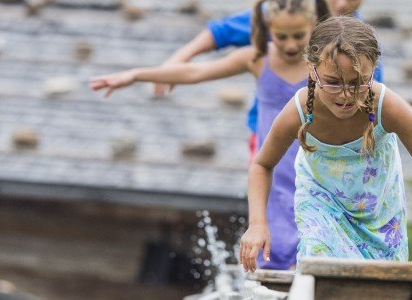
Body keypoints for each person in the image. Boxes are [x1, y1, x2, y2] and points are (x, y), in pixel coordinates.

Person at [89, 0, 325, 270]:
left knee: (312, 232)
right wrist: (136, 75)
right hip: (274, 164)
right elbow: (196, 71)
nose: (291, 44)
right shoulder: (257, 59)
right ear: (268, 29)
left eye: (299, 36)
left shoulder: (321, 65)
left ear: (313, 27)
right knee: (273, 235)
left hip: (312, 163)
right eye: (281, 36)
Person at [238, 16, 412, 273]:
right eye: (332, 81)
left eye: (357, 82)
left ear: (373, 70)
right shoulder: (298, 111)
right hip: (321, 204)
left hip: (379, 215)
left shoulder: (387, 106)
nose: (346, 95)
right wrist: (257, 223)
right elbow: (262, 164)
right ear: (311, 69)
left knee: (378, 287)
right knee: (317, 264)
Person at [154, 0, 412, 162]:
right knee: (273, 191)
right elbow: (221, 33)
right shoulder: (292, 12)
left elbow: (380, 96)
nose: (343, 4)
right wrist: (178, 58)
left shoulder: (356, 44)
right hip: (272, 130)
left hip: (326, 138)